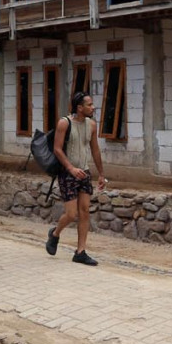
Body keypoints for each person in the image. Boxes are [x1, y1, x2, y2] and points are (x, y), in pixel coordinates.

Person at [44, 91, 106, 266]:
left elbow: (95, 150)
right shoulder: (64, 123)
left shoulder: (92, 125)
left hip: (84, 173)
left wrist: (101, 174)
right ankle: (55, 234)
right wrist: (70, 168)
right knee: (72, 214)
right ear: (79, 107)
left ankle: (80, 252)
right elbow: (57, 149)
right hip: (67, 173)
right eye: (89, 105)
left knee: (85, 211)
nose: (93, 107)